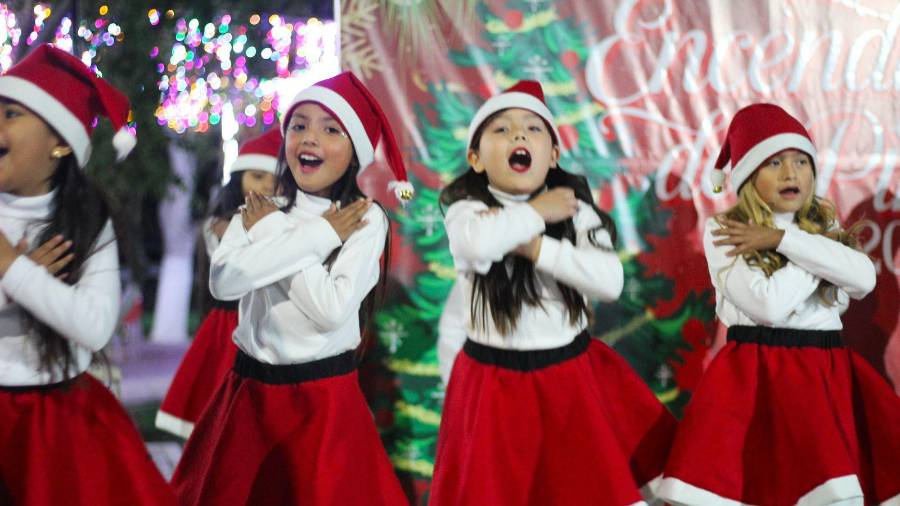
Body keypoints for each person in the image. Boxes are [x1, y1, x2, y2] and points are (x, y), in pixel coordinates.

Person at [658, 103, 900, 505]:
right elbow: (768, 306)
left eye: (801, 162)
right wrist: (821, 257)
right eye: (774, 162)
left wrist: (782, 240)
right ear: (748, 176)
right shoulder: (726, 229)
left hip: (824, 376)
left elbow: (863, 279)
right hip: (757, 376)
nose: (791, 173)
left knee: (831, 489)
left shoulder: (821, 227)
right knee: (763, 485)